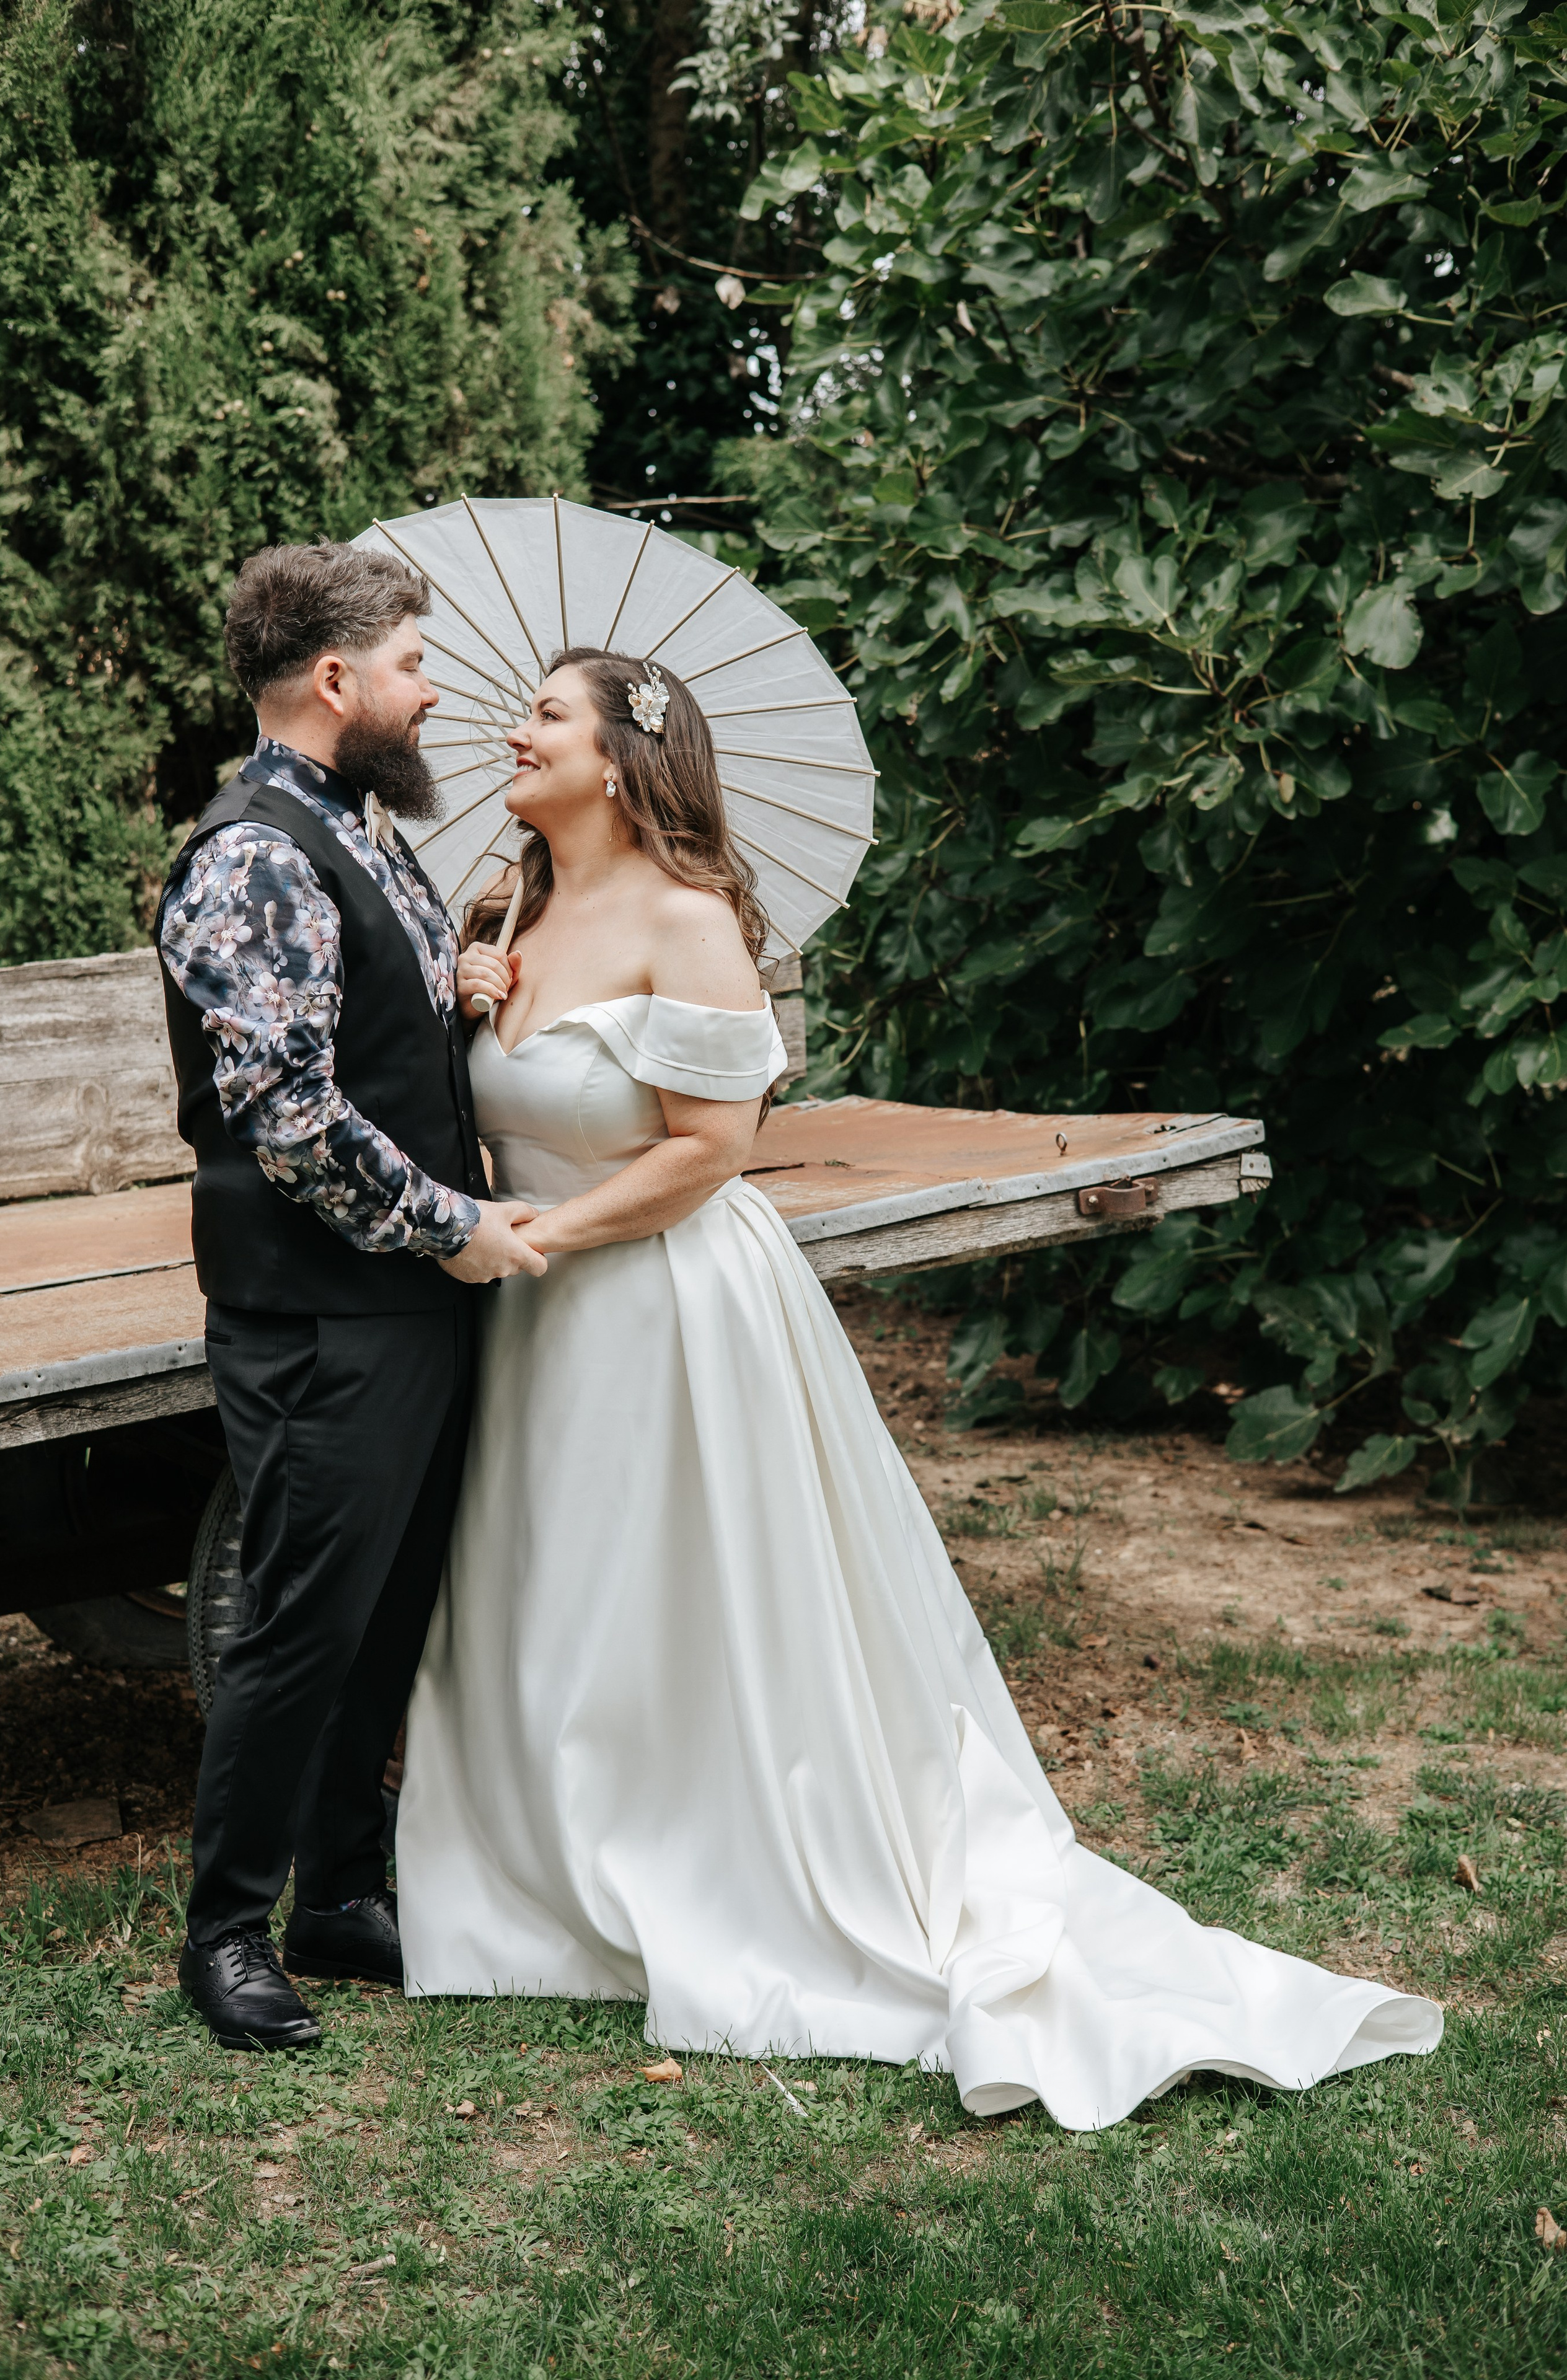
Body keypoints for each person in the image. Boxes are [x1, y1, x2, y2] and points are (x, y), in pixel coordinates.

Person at [395, 649, 1442, 2130]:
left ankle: (726, 1857)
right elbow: (500, 1099)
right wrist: (468, 994)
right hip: (539, 1314)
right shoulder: (511, 910)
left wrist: (538, 1235)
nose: (514, 730)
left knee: (695, 1599)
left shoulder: (688, 923)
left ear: (623, 762)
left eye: (547, 715)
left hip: (664, 1300)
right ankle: (553, 1880)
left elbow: (711, 1148)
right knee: (551, 1587)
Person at [156, 542, 544, 2052]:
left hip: (401, 1307)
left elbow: (351, 1019)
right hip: (322, 1312)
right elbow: (286, 1114)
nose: (431, 691)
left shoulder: (356, 825)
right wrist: (452, 1228)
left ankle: (341, 1895)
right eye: (413, 664)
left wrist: (448, 987)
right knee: (301, 1620)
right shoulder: (254, 850)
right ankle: (229, 1929)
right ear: (337, 681)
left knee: (386, 1608)